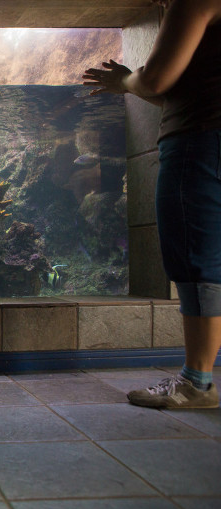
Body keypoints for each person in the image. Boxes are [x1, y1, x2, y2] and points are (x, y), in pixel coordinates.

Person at [83, 0, 221, 408]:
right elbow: (185, 91)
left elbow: (158, 79)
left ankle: (196, 383)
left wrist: (126, 80)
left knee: (196, 260)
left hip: (200, 144)